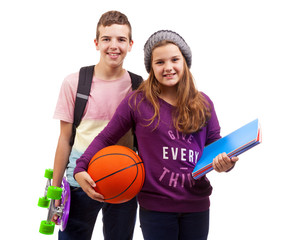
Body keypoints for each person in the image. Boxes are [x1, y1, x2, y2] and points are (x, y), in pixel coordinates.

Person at [74, 30, 239, 240]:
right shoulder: (138, 101)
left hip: (196, 204)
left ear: (185, 62)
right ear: (151, 67)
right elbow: (106, 138)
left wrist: (227, 162)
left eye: (174, 60)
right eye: (159, 62)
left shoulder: (204, 103)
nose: (168, 67)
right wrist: (81, 166)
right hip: (155, 207)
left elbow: (216, 146)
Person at [52, 10, 143, 240]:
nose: (114, 45)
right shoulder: (74, 83)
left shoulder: (139, 86)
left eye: (121, 39)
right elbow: (64, 139)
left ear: (131, 44)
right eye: (106, 39)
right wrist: (55, 191)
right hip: (79, 181)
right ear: (96, 43)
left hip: (123, 179)